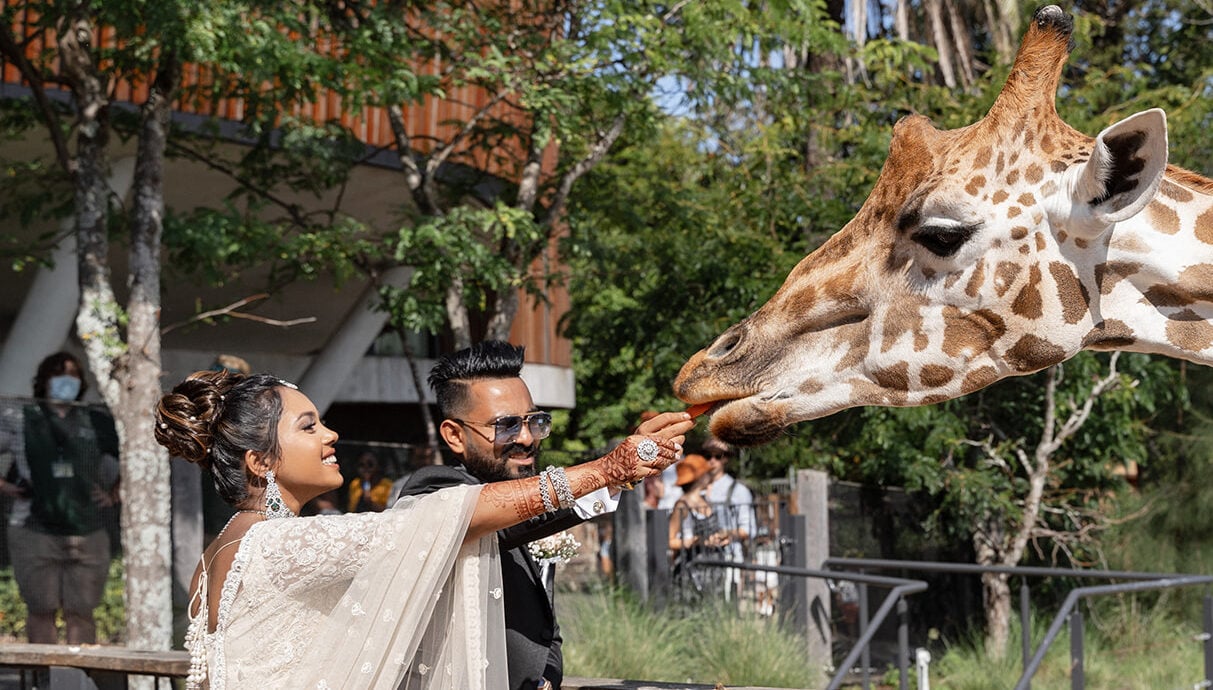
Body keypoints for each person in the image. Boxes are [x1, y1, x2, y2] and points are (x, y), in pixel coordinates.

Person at [154, 367, 689, 689]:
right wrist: (608, 469)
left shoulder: (229, 545)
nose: (332, 433)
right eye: (309, 425)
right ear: (260, 462)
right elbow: (444, 520)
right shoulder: (279, 545)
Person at [397, 341, 694, 690]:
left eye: (534, 421)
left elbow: (543, 628)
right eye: (505, 425)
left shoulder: (525, 499)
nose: (526, 438)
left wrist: (545, 677)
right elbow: (509, 516)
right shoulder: (433, 491)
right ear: (454, 435)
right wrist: (609, 470)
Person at [13, 352, 119, 644]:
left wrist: (113, 493)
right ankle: (42, 679)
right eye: (59, 374)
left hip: (87, 530)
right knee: (41, 608)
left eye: (73, 374)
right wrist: (9, 487)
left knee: (81, 610)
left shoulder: (94, 420)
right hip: (34, 529)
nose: (66, 381)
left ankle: (80, 678)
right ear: (44, 380)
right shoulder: (22, 416)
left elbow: (134, 455)